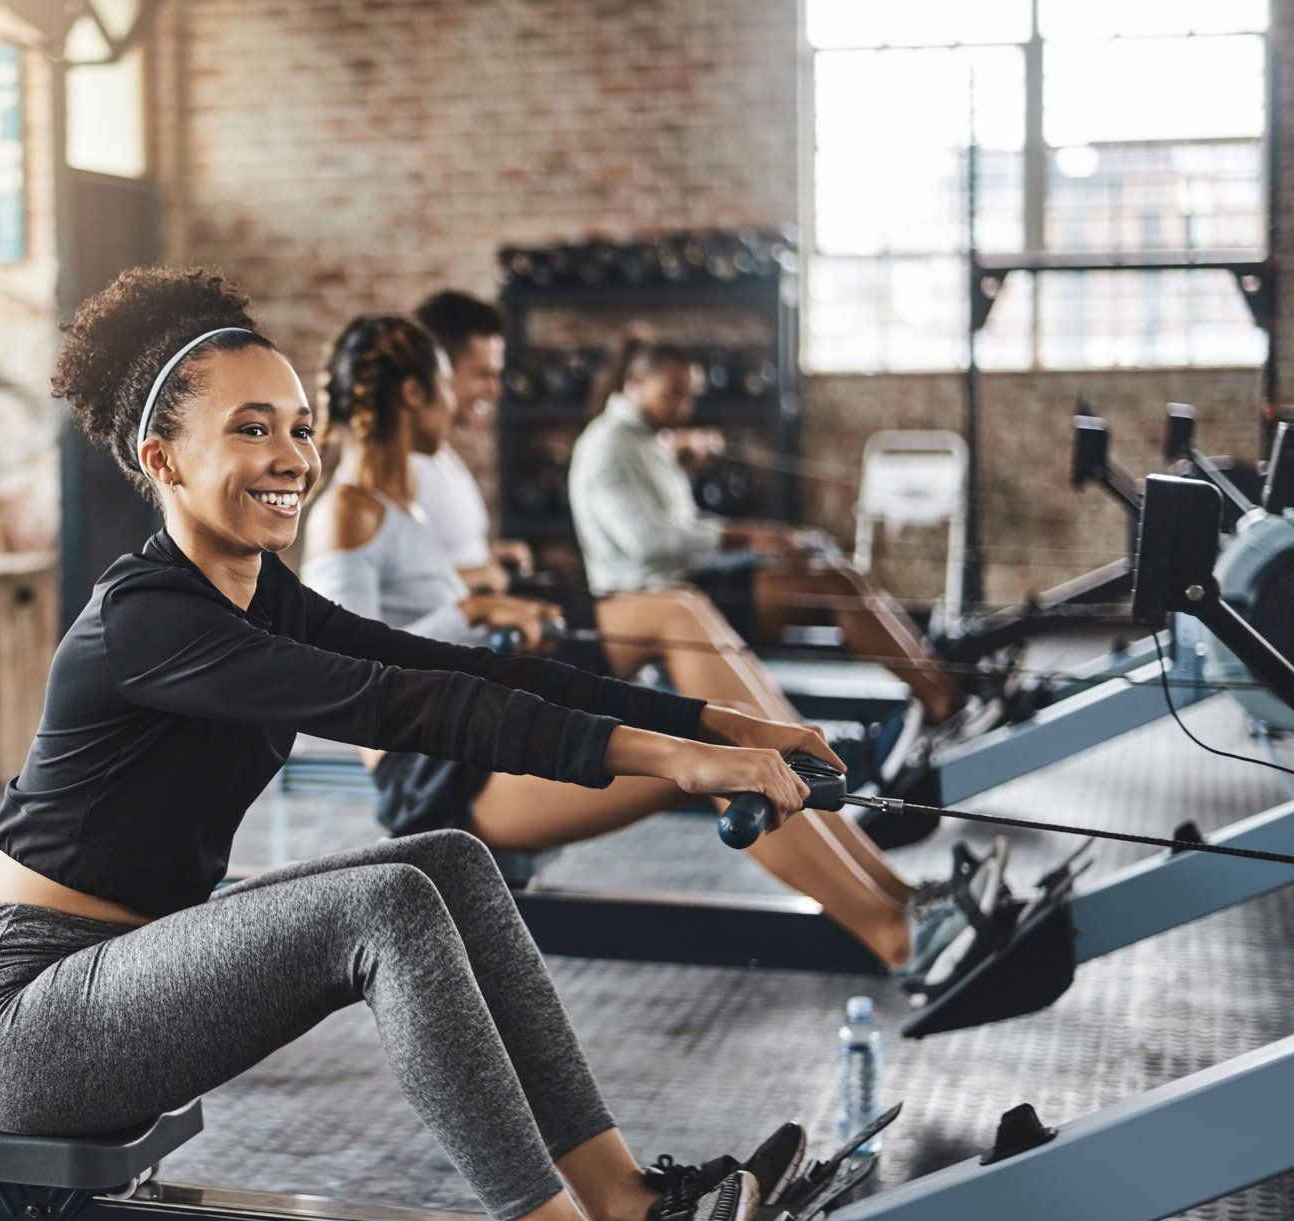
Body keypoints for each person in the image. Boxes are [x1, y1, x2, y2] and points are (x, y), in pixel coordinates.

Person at [0, 266, 842, 1221]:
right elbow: (411, 710)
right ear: (164, 459)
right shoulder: (147, 617)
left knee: (448, 857)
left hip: (123, 966)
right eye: (251, 428)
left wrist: (717, 717)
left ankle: (627, 1199)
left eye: (301, 426)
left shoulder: (255, 590)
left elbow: (456, 667)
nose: (292, 458)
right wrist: (679, 763)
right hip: (24, 1014)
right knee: (388, 906)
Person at [301, 314, 999, 978]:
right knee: (718, 769)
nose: (460, 403)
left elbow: (416, 616)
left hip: (486, 723)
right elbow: (347, 666)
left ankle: (903, 899)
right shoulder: (347, 508)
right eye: (450, 386)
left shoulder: (400, 504)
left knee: (723, 720)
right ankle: (896, 935)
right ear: (416, 392)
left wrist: (486, 598)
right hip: (440, 775)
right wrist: (477, 608)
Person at [569, 338, 968, 724]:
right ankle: (943, 699)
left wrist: (763, 541)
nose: (684, 408)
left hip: (690, 581)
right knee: (832, 585)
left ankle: (944, 681)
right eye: (674, 394)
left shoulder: (645, 440)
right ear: (634, 385)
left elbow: (681, 526)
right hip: (652, 600)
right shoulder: (607, 446)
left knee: (839, 572)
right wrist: (745, 537)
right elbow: (646, 542)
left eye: (689, 396)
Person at [409, 289, 534, 592]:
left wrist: (488, 557)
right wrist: (480, 575)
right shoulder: (399, 467)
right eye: (483, 375)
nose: (495, 390)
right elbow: (396, 589)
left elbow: (433, 559)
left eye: (497, 376)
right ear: (438, 371)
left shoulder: (442, 454)